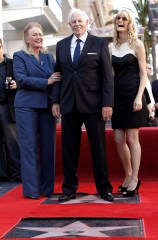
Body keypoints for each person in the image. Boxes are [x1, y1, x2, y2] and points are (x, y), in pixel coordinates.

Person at [52, 8, 114, 202]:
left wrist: (107, 103)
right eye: (73, 22)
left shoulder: (100, 43)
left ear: (87, 23)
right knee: (69, 150)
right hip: (69, 104)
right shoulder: (61, 45)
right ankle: (69, 188)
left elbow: (107, 77)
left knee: (99, 149)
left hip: (94, 104)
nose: (77, 24)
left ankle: (104, 189)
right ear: (69, 25)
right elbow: (58, 76)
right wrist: (55, 100)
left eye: (80, 21)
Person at [13, 22, 62, 199]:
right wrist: (45, 82)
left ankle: (47, 189)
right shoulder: (19, 56)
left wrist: (57, 101)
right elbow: (21, 79)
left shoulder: (49, 57)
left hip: (47, 107)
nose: (39, 37)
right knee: (29, 148)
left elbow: (57, 79)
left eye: (40, 34)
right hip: (26, 106)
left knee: (49, 148)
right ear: (27, 38)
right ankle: (32, 191)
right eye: (34, 34)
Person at [109, 9, 147, 197]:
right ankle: (128, 173)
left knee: (132, 139)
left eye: (124, 18)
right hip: (117, 98)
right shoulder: (110, 47)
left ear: (129, 23)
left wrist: (139, 97)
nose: (120, 20)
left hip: (133, 95)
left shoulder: (137, 44)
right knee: (117, 140)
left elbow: (143, 73)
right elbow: (111, 75)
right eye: (118, 18)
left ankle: (134, 178)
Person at [0, 38, 21, 182]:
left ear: (1, 45)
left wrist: (17, 85)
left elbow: (22, 79)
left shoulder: (12, 64)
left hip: (8, 107)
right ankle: (2, 174)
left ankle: (18, 173)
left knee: (12, 141)